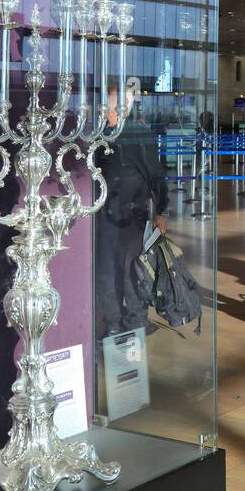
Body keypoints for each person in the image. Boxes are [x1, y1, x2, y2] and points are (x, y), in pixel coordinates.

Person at [95, 85, 169, 341]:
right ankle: (114, 322)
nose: (104, 109)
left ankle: (136, 321)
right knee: (106, 270)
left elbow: (154, 174)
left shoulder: (137, 134)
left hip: (133, 216)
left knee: (132, 269)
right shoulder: (97, 134)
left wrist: (160, 211)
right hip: (103, 215)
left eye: (109, 104)